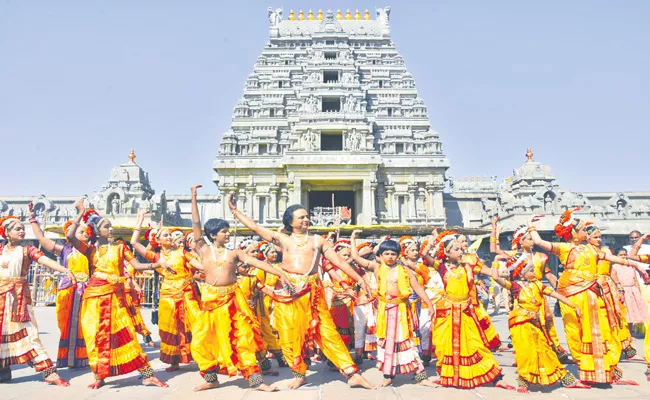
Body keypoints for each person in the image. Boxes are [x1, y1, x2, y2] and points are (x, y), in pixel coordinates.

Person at [228, 192, 375, 390]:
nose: (306, 219)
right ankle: (299, 373)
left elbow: (339, 262)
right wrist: (236, 211)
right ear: (290, 221)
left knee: (326, 332)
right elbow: (254, 227)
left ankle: (351, 373)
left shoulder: (318, 241)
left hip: (312, 292)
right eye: (301, 217)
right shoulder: (282, 239)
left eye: (307, 216)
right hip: (288, 292)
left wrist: (360, 280)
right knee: (290, 335)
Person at [528, 210, 644, 385]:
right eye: (583, 228)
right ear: (574, 233)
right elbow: (538, 241)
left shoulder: (592, 249)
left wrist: (636, 265)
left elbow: (613, 259)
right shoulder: (565, 248)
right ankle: (583, 367)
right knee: (574, 333)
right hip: (570, 295)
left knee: (597, 332)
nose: (586, 230)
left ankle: (601, 369)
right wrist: (531, 226)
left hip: (590, 294)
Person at [189, 185, 284, 392]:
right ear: (213, 235)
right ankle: (211, 378)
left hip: (233, 301)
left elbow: (257, 263)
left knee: (243, 339)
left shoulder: (234, 253)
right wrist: (193, 197)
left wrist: (281, 273)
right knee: (202, 341)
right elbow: (196, 223)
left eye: (227, 230)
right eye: (224, 231)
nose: (228, 234)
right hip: (209, 303)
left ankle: (256, 382)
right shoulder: (203, 249)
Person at [67, 200, 170, 389]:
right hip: (93, 298)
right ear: (97, 231)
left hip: (115, 298)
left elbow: (137, 266)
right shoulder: (90, 250)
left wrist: (157, 264)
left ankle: (147, 375)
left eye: (111, 226)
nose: (111, 229)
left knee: (127, 333)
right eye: (107, 227)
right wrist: (80, 213)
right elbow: (70, 235)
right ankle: (99, 375)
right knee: (94, 337)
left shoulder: (121, 247)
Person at [490, 253, 590, 392]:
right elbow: (495, 277)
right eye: (531, 270)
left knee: (546, 350)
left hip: (536, 323)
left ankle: (566, 379)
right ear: (521, 273)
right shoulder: (514, 286)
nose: (535, 272)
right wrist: (495, 260)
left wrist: (573, 305)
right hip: (520, 324)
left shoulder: (538, 285)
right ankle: (524, 382)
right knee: (525, 353)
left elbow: (556, 295)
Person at [428, 231, 514, 390]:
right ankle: (448, 376)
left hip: (466, 312)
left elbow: (492, 274)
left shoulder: (469, 265)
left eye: (462, 248)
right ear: (446, 253)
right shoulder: (441, 267)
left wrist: (496, 263)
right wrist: (435, 240)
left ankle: (496, 377)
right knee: (444, 346)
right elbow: (424, 255)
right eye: (457, 249)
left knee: (477, 344)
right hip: (447, 313)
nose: (461, 252)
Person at [349, 231, 434, 387]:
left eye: (393, 254)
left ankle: (421, 376)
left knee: (407, 342)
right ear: (381, 255)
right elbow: (356, 258)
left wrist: (428, 303)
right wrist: (353, 239)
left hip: (402, 310)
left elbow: (417, 287)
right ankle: (388, 375)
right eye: (386, 253)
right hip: (384, 311)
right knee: (386, 343)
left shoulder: (405, 270)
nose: (390, 256)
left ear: (398, 255)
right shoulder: (377, 267)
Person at [0, 216, 73, 386]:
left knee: (30, 334)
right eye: (17, 228)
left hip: (18, 298)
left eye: (22, 228)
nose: (22, 230)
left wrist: (64, 270)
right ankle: (3, 370)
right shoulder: (0, 249)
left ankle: (49, 372)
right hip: (1, 297)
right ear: (7, 233)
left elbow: (45, 260)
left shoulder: (27, 250)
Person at [131, 210, 202, 372]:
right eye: (166, 235)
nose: (170, 237)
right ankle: (174, 361)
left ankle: (200, 356)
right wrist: (140, 219)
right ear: (158, 240)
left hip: (187, 293)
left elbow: (201, 267)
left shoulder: (182, 252)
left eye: (170, 235)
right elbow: (135, 243)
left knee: (196, 324)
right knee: (171, 329)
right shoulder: (157, 257)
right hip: (168, 296)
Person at [491, 221, 569, 362]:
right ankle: (525, 355)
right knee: (525, 325)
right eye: (529, 239)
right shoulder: (514, 256)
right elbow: (495, 251)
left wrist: (560, 290)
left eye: (533, 239)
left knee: (547, 321)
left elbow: (549, 275)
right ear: (521, 241)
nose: (532, 242)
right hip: (521, 294)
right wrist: (495, 231)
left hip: (539, 292)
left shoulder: (541, 257)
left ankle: (555, 350)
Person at [29, 203, 90, 369]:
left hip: (87, 291)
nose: (86, 234)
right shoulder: (64, 250)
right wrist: (33, 219)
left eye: (86, 232)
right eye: (81, 232)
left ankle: (84, 357)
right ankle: (68, 359)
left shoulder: (90, 250)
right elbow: (41, 238)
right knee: (66, 323)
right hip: (68, 290)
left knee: (85, 324)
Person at [611, 248, 645, 359]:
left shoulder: (631, 266)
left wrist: (638, 293)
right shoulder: (615, 267)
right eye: (621, 255)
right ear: (616, 256)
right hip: (622, 293)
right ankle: (624, 345)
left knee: (631, 320)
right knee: (623, 319)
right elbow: (614, 280)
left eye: (625, 254)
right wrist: (619, 291)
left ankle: (629, 345)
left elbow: (635, 280)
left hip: (632, 292)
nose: (623, 257)